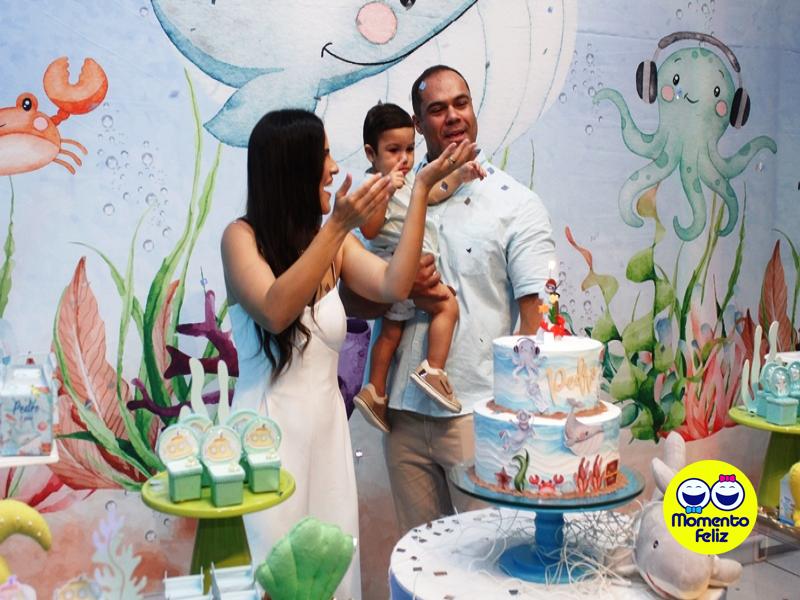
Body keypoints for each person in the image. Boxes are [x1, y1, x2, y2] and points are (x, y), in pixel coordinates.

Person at [221, 108, 468, 599]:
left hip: (328, 431)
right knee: (277, 576)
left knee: (332, 572)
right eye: (325, 156)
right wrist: (337, 226)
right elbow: (275, 310)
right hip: (268, 437)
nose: (334, 168)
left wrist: (418, 191)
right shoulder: (240, 238)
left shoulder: (330, 243)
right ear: (294, 168)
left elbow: (393, 285)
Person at [342, 65, 557, 534]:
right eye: (437, 109)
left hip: (477, 415)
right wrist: (398, 287)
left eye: (461, 103)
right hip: (401, 416)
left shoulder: (515, 203)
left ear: (474, 109)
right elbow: (352, 303)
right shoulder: (389, 192)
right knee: (421, 559)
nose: (453, 116)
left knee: (490, 554)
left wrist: (516, 415)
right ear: (418, 123)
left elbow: (536, 321)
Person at [353, 102, 486, 433]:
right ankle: (434, 370)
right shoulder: (375, 186)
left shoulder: (411, 179)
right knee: (447, 305)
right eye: (393, 150)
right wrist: (385, 192)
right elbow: (369, 229)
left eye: (410, 149)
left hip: (408, 271)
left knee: (391, 332)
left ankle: (375, 391)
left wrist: (460, 175)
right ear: (371, 153)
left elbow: (433, 193)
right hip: (394, 269)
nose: (404, 158)